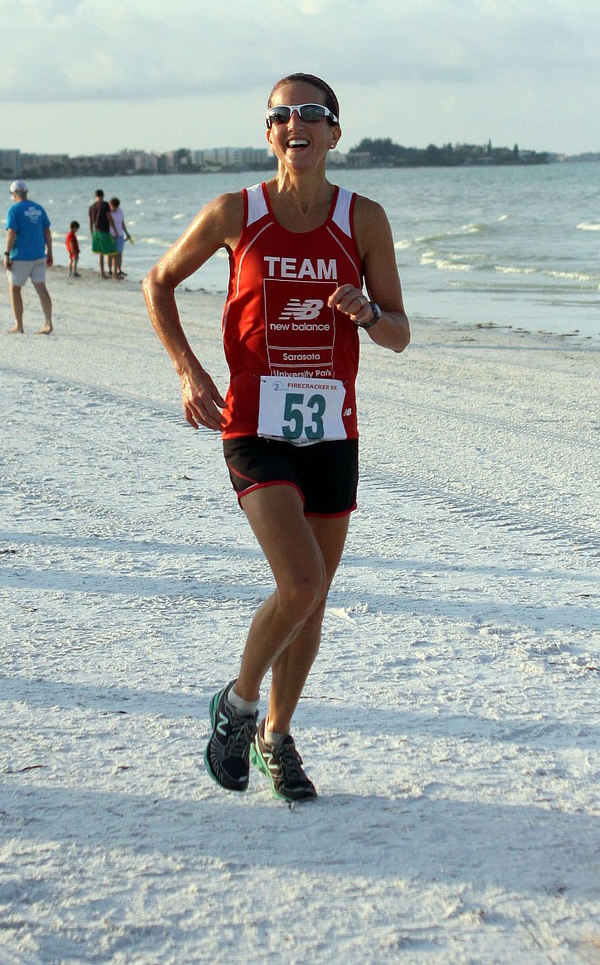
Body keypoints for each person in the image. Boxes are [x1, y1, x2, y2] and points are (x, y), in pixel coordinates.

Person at [143, 73, 409, 802]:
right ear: (270, 134)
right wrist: (189, 372)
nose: (297, 125)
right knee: (299, 583)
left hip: (331, 431)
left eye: (312, 114)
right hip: (255, 425)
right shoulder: (237, 211)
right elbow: (158, 282)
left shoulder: (365, 219)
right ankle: (237, 705)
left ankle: (276, 736)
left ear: (334, 133)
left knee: (312, 602)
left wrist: (364, 314)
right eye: (282, 115)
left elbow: (399, 334)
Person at [2, 181, 53, 334]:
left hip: (21, 256)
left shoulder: (14, 210)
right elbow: (47, 232)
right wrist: (49, 252)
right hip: (39, 254)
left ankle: (19, 325)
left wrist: (6, 254)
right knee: (41, 287)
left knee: (15, 288)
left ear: (14, 194)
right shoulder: (38, 208)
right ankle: (48, 323)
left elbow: (11, 232)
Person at [88, 188, 118, 279]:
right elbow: (109, 217)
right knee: (114, 252)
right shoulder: (105, 204)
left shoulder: (91, 207)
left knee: (100, 254)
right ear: (103, 196)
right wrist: (115, 230)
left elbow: (90, 221)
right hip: (104, 232)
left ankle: (102, 273)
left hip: (96, 232)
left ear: (96, 196)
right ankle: (115, 274)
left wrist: (91, 233)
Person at [109, 196, 132, 278]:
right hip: (111, 234)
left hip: (120, 234)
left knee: (120, 253)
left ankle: (119, 270)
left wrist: (126, 232)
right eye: (113, 206)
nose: (115, 208)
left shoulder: (120, 211)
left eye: (116, 207)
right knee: (113, 254)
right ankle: (112, 271)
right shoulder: (108, 212)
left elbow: (122, 223)